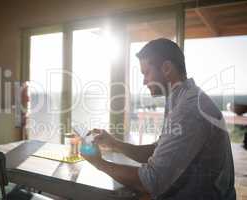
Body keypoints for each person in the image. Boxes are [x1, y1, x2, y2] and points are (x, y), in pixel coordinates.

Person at [81, 38, 236, 200]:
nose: (144, 81)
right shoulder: (180, 97)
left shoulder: (189, 109)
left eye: (146, 72)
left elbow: (151, 181)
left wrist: (99, 163)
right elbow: (157, 150)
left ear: (166, 68)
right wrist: (114, 143)